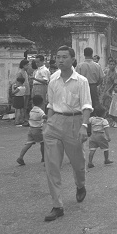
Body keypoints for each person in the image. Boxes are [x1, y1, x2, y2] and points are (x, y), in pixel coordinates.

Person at [42, 45, 92, 222]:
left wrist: (84, 126)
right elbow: (50, 104)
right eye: (58, 57)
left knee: (78, 164)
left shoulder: (81, 81)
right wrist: (48, 123)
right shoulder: (53, 80)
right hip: (54, 122)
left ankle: (80, 185)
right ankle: (57, 205)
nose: (60, 60)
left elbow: (86, 106)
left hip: (75, 122)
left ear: (72, 59)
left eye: (64, 57)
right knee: (52, 166)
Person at [16, 94, 46, 166]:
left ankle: (20, 157)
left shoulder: (32, 110)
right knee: (43, 143)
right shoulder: (40, 111)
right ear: (41, 103)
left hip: (31, 129)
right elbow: (44, 116)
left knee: (28, 144)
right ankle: (44, 158)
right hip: (38, 129)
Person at [76, 47, 105, 115]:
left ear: (84, 54)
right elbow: (101, 77)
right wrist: (97, 84)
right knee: (94, 103)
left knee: (83, 103)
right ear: (92, 54)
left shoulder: (80, 66)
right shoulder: (97, 66)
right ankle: (94, 118)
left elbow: (76, 78)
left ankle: (85, 119)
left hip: (82, 87)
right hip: (93, 86)